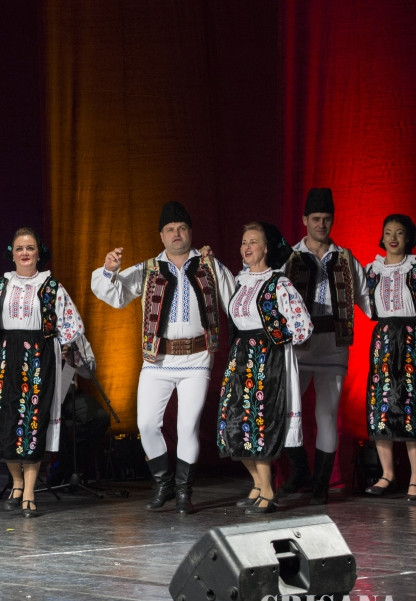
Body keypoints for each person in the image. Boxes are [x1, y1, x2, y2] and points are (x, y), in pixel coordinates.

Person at [91, 201, 235, 513]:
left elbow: (234, 301)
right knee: (146, 424)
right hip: (157, 361)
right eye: (170, 229)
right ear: (161, 235)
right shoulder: (148, 269)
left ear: (190, 232)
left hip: (197, 360)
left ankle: (184, 491)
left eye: (181, 228)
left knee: (187, 426)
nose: (176, 234)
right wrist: (109, 270)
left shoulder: (209, 265)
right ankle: (163, 483)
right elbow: (114, 294)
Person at [0, 226, 95, 517]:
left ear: (38, 252)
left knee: (32, 422)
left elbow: (72, 325)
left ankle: (30, 492)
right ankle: (17, 483)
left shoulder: (51, 286)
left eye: (30, 248)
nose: (24, 253)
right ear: (12, 253)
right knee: (6, 420)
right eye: (19, 248)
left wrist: (65, 348)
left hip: (38, 356)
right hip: (6, 355)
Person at [280, 188, 371, 504]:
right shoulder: (289, 257)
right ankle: (300, 471)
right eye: (316, 218)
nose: (321, 224)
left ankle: (320, 486)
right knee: (287, 410)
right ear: (305, 220)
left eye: (327, 219)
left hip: (333, 343)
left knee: (327, 415)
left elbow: (367, 300)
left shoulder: (345, 258)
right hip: (299, 346)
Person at [217, 222, 312, 514]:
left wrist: (275, 340)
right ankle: (258, 484)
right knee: (232, 425)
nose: (247, 247)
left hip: (267, 360)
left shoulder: (279, 283)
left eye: (254, 242)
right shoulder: (240, 281)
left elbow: (303, 328)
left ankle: (268, 490)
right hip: (240, 358)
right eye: (244, 242)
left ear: (266, 248)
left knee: (260, 425)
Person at [361, 214, 416, 502]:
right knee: (381, 404)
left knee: (410, 405)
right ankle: (387, 474)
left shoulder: (414, 268)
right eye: (388, 232)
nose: (393, 238)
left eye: (399, 233)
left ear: (408, 238)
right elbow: (361, 300)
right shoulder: (372, 270)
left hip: (411, 339)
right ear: (382, 237)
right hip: (383, 339)